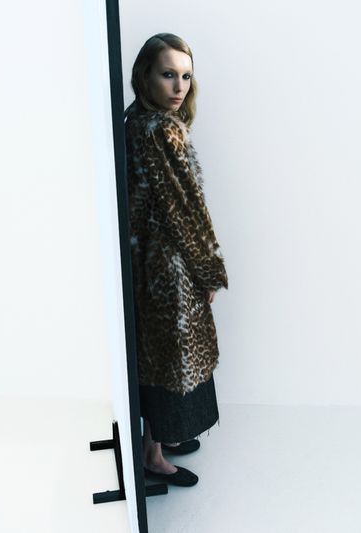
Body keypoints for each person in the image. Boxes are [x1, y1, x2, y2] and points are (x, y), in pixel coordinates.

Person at [124, 33, 228, 487]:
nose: (179, 86)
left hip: (148, 258)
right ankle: (154, 453)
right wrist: (207, 268)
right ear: (144, 75)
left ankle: (163, 438)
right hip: (170, 264)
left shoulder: (135, 121)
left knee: (159, 355)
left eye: (186, 75)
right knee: (169, 359)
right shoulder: (162, 129)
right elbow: (184, 207)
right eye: (168, 74)